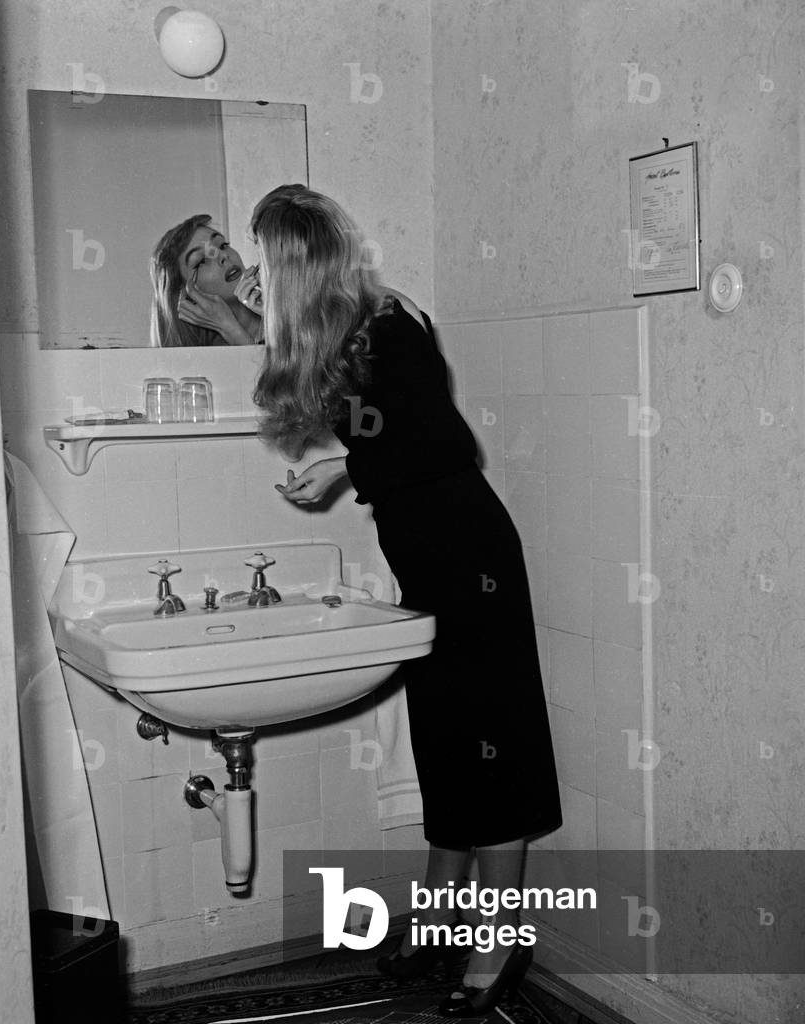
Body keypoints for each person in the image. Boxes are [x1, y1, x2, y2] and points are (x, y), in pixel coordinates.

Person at [240, 184, 562, 1018]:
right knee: (447, 744)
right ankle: (440, 919)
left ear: (293, 262)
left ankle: (499, 940)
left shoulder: (387, 325)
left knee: (490, 748)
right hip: (432, 559)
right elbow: (395, 431)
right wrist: (344, 464)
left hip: (469, 558)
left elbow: (444, 442)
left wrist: (347, 467)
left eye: (263, 263)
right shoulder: (353, 328)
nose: (257, 277)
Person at [149, 213, 262, 346]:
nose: (223, 256)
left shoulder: (276, 313)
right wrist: (229, 328)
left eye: (222, 245)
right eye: (202, 260)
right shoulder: (207, 355)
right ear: (186, 298)